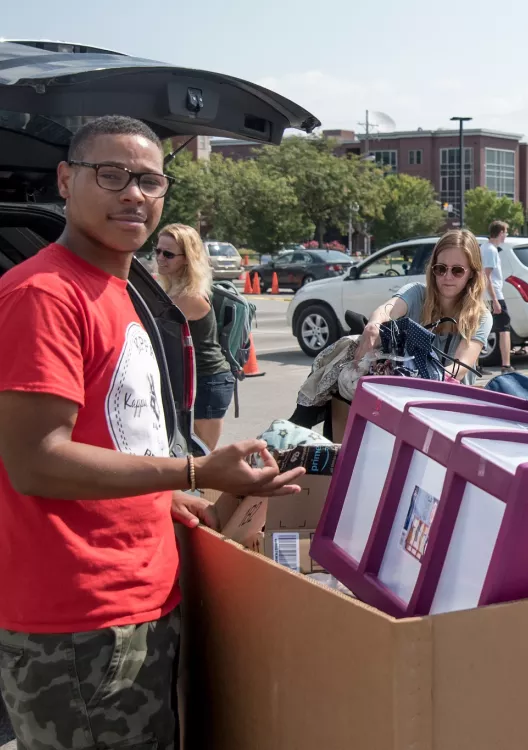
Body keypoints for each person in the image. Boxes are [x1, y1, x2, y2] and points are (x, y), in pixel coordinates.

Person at [0, 115, 305, 750]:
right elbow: (37, 460)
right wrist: (195, 471)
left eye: (148, 180)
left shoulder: (118, 287)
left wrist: (169, 496)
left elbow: (108, 439)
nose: (133, 194)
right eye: (110, 175)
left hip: (139, 597)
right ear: (65, 180)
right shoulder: (44, 295)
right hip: (80, 621)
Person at [353, 229, 492, 385]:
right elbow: (388, 309)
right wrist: (374, 325)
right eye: (441, 268)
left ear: (472, 273)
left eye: (457, 270)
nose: (447, 277)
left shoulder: (481, 316)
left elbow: (459, 368)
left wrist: (420, 382)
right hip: (404, 396)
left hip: (452, 402)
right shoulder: (416, 293)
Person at [155, 223, 234, 450]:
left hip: (209, 381)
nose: (161, 258)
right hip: (197, 381)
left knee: (201, 455)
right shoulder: (173, 290)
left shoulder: (189, 297)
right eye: (158, 251)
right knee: (190, 454)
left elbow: (151, 325)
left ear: (187, 259)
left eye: (168, 254)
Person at [481, 220, 513, 373]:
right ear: (500, 233)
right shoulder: (491, 251)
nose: (506, 235)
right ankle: (506, 365)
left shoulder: (484, 248)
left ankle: (475, 364)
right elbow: (486, 276)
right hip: (493, 296)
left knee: (483, 329)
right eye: (505, 232)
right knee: (504, 329)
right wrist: (495, 300)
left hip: (484, 296)